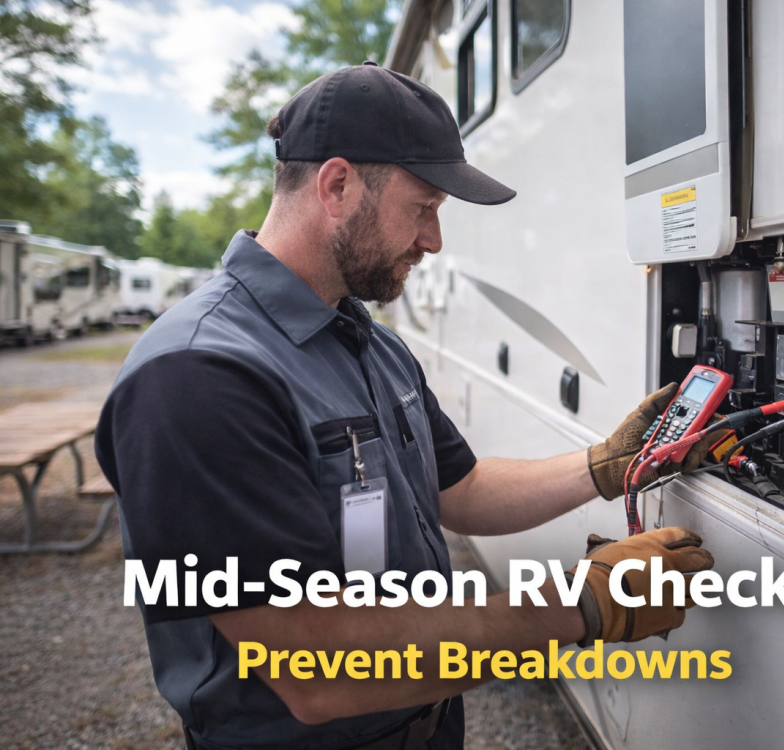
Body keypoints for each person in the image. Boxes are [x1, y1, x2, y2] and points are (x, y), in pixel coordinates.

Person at [95, 63, 714, 750]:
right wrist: (584, 604)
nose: (434, 241)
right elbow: (318, 670)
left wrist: (605, 464)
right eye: (424, 208)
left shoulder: (366, 343)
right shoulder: (199, 375)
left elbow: (462, 489)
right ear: (337, 186)